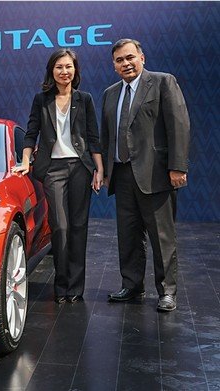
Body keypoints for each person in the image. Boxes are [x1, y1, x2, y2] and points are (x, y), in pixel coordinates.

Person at [100, 39, 190, 312]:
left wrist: (178, 166)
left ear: (142, 57)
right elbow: (107, 135)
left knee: (162, 236)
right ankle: (132, 285)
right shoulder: (110, 93)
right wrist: (106, 170)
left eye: (130, 57)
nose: (126, 63)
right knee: (127, 235)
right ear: (114, 66)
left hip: (156, 174)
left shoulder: (163, 82)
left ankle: (167, 291)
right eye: (119, 60)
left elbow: (179, 124)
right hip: (122, 174)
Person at [15, 49, 103, 304]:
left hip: (80, 167)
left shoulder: (84, 99)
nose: (64, 71)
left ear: (75, 70)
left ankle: (75, 288)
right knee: (61, 228)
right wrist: (25, 161)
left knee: (79, 227)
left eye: (69, 66)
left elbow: (93, 136)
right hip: (53, 168)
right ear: (51, 71)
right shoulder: (41, 99)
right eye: (59, 67)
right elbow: (31, 132)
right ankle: (61, 285)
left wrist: (99, 170)